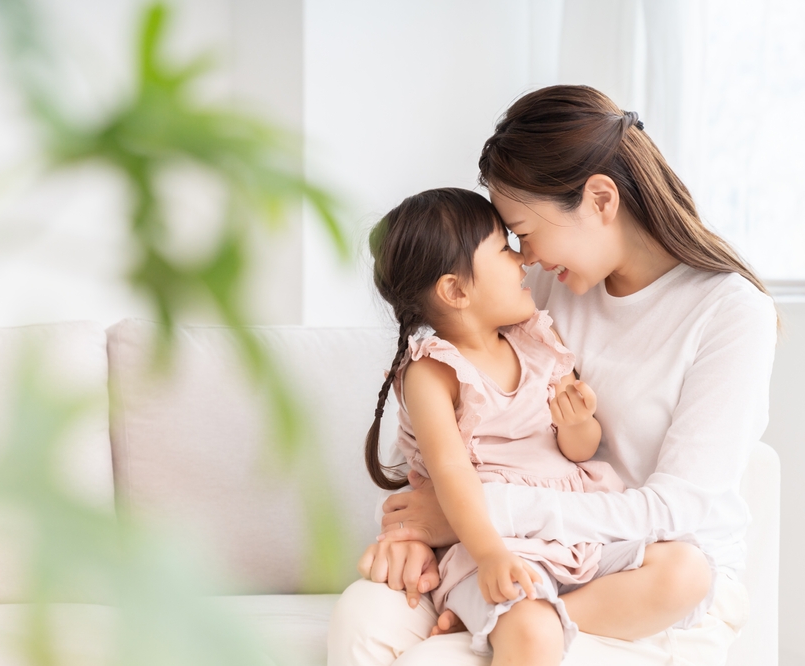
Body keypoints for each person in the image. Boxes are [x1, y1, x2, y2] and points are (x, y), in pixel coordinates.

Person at [328, 85, 777, 665]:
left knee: (456, 653)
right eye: (510, 242)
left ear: (600, 200)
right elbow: (447, 443)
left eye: (523, 231)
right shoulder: (538, 287)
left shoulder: (730, 313)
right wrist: (414, 533)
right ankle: (506, 616)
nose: (524, 256)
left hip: (641, 569)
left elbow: (678, 509)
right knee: (363, 616)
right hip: (510, 547)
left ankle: (516, 623)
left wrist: (481, 515)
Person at [362, 187, 685, 663]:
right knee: (531, 631)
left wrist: (577, 424)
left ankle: (539, 615)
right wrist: (490, 555)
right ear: (456, 290)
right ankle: (524, 619)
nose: (523, 261)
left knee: (685, 570)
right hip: (494, 545)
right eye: (504, 249)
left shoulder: (537, 340)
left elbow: (580, 452)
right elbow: (451, 474)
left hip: (572, 528)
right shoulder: (433, 373)